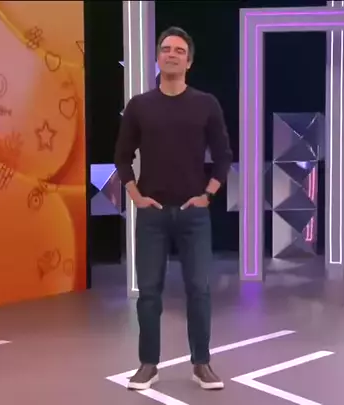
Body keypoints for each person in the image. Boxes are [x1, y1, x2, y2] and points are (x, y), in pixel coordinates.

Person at [114, 26, 233, 391]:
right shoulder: (139, 106)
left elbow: (223, 155)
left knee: (199, 289)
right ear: (157, 57)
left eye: (179, 50)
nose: (172, 54)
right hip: (152, 214)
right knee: (149, 293)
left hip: (194, 214)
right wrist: (135, 196)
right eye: (166, 49)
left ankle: (202, 364)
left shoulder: (206, 104)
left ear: (189, 61)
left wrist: (208, 195)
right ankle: (148, 365)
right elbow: (122, 157)